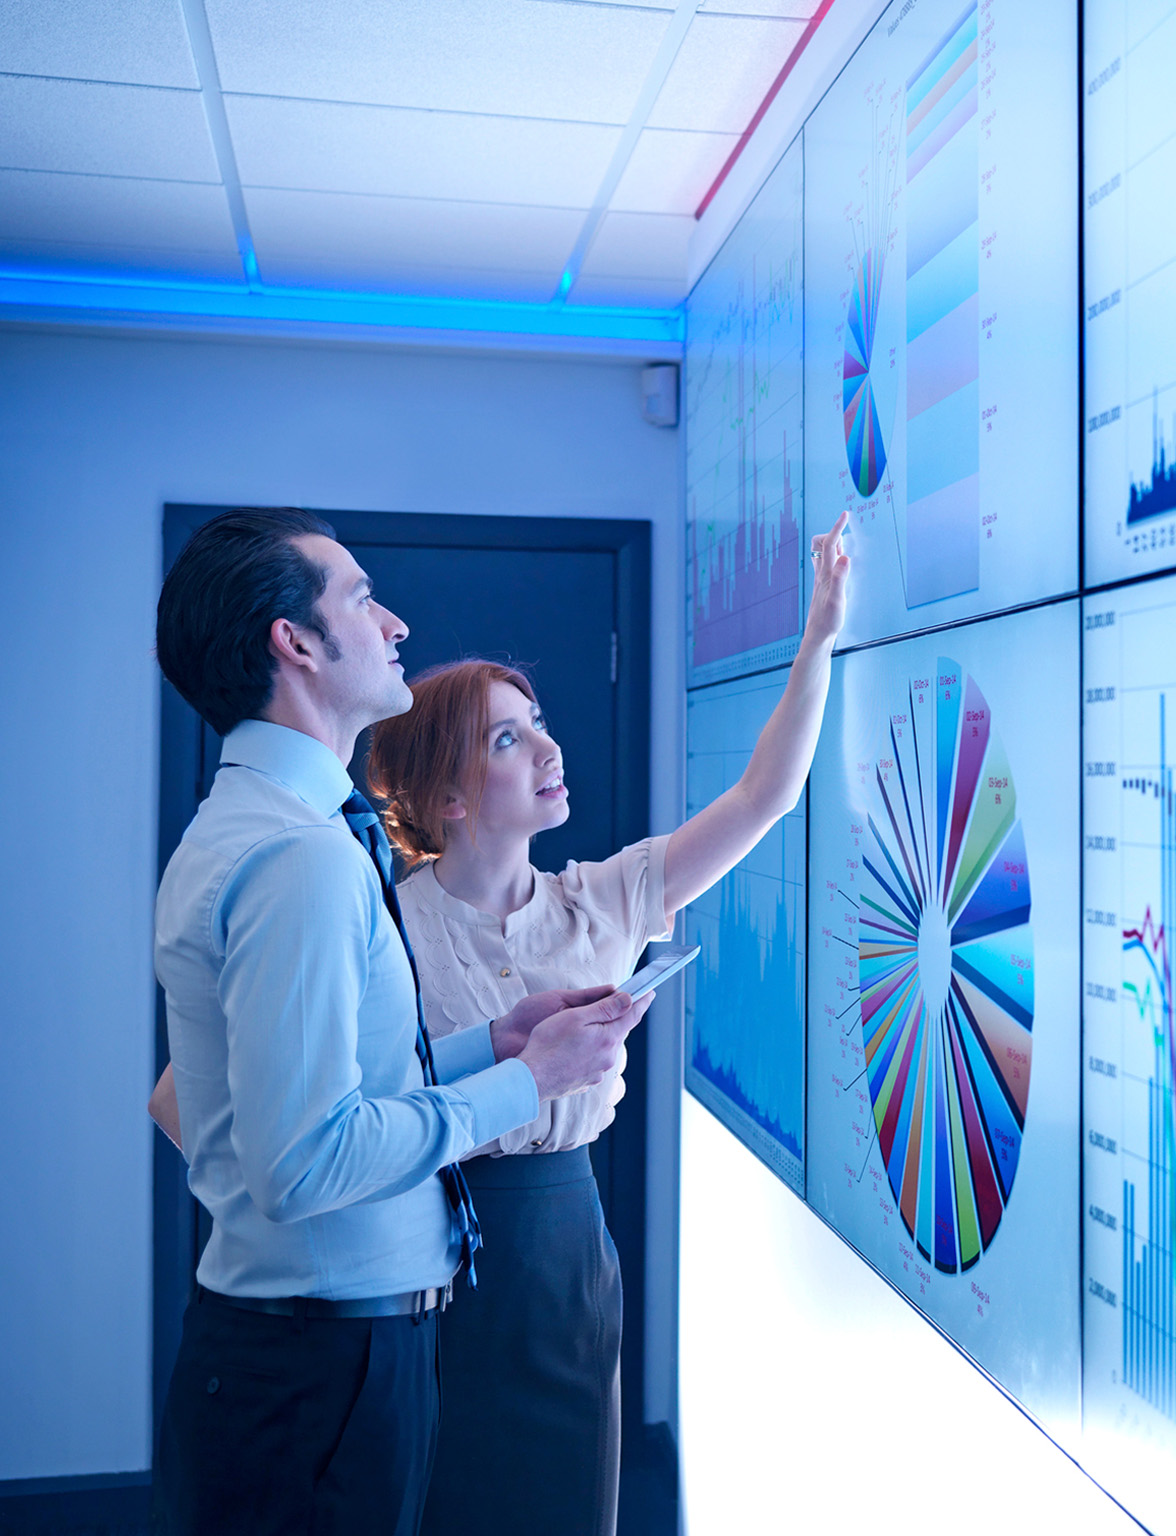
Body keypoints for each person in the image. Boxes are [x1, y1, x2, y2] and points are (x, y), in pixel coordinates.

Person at [148, 508, 650, 1536]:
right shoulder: (301, 855)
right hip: (320, 1373)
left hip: (306, 1361)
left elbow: (312, 1099)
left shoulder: (268, 827)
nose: (398, 626)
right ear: (294, 643)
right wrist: (527, 1084)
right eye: (364, 601)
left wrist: (493, 1045)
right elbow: (305, 1162)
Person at [364, 511, 852, 1536]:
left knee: (565, 1502)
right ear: (449, 797)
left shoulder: (608, 897)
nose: (548, 746)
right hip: (421, 1246)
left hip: (565, 1246)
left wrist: (819, 642)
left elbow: (766, 795)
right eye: (508, 737)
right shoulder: (381, 921)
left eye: (538, 723)